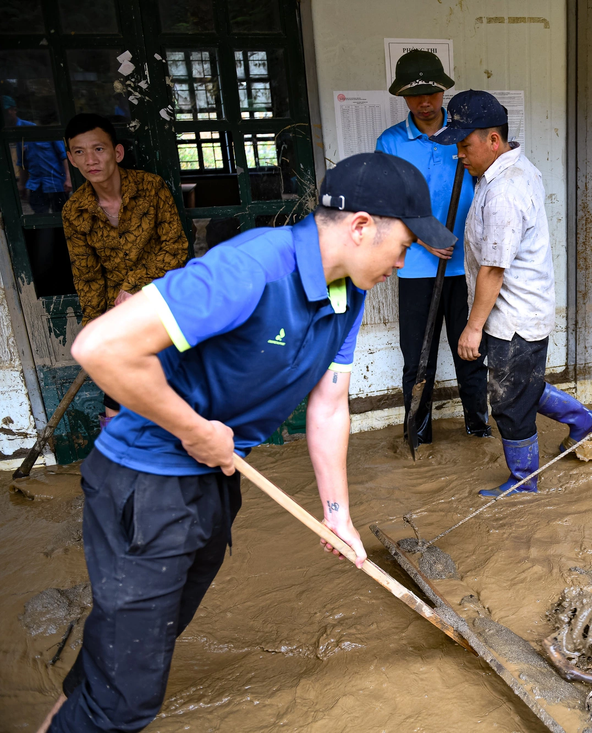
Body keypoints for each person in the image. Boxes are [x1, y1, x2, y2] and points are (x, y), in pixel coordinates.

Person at [36, 152, 454, 733]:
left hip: (215, 479)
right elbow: (99, 348)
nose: (401, 262)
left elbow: (329, 402)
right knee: (125, 701)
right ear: (361, 226)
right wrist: (193, 429)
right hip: (147, 485)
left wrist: (338, 515)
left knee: (124, 660)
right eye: (405, 245)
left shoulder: (344, 288)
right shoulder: (251, 268)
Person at [430, 90, 592, 498]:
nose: (459, 154)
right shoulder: (511, 170)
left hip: (516, 313)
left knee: (508, 401)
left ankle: (524, 480)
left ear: (493, 140)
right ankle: (583, 422)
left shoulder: (504, 190)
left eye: (465, 144)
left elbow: (493, 268)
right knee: (521, 384)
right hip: (520, 307)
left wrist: (472, 328)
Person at [376, 49, 490, 444]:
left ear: (443, 91)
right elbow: (387, 203)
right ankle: (418, 439)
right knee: (418, 360)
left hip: (467, 268)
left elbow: (489, 192)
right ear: (402, 97)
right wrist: (424, 236)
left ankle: (479, 431)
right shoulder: (391, 142)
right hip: (416, 271)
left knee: (471, 355)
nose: (425, 102)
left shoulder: (464, 138)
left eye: (432, 93)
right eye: (414, 95)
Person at [62, 113, 189, 424]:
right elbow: (87, 276)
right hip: (118, 315)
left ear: (116, 152)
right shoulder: (74, 211)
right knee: (117, 388)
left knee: (177, 380)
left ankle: (190, 452)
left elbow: (176, 247)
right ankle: (122, 456)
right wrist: (95, 327)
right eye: (79, 152)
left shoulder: (151, 188)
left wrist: (133, 286)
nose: (90, 159)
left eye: (98, 149)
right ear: (71, 159)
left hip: (165, 299)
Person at [5, 96, 72, 214]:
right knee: (40, 218)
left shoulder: (36, 130)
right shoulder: (17, 134)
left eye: (6, 111)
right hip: (36, 184)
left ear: (13, 110)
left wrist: (68, 178)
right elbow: (22, 163)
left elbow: (64, 156)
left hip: (56, 183)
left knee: (62, 216)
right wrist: (22, 184)